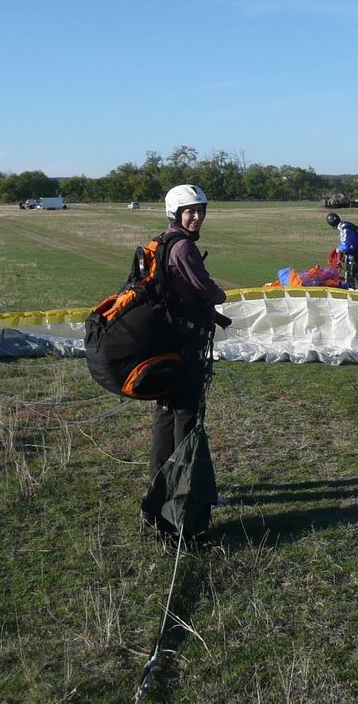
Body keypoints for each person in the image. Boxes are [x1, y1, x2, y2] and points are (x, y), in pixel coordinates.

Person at [141, 184, 227, 532]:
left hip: (166, 347)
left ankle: (158, 492)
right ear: (176, 214)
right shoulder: (183, 247)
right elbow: (209, 290)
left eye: (200, 210)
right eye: (190, 211)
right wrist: (218, 296)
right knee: (186, 420)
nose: (197, 217)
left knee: (166, 415)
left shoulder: (162, 242)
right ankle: (183, 501)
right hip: (185, 350)